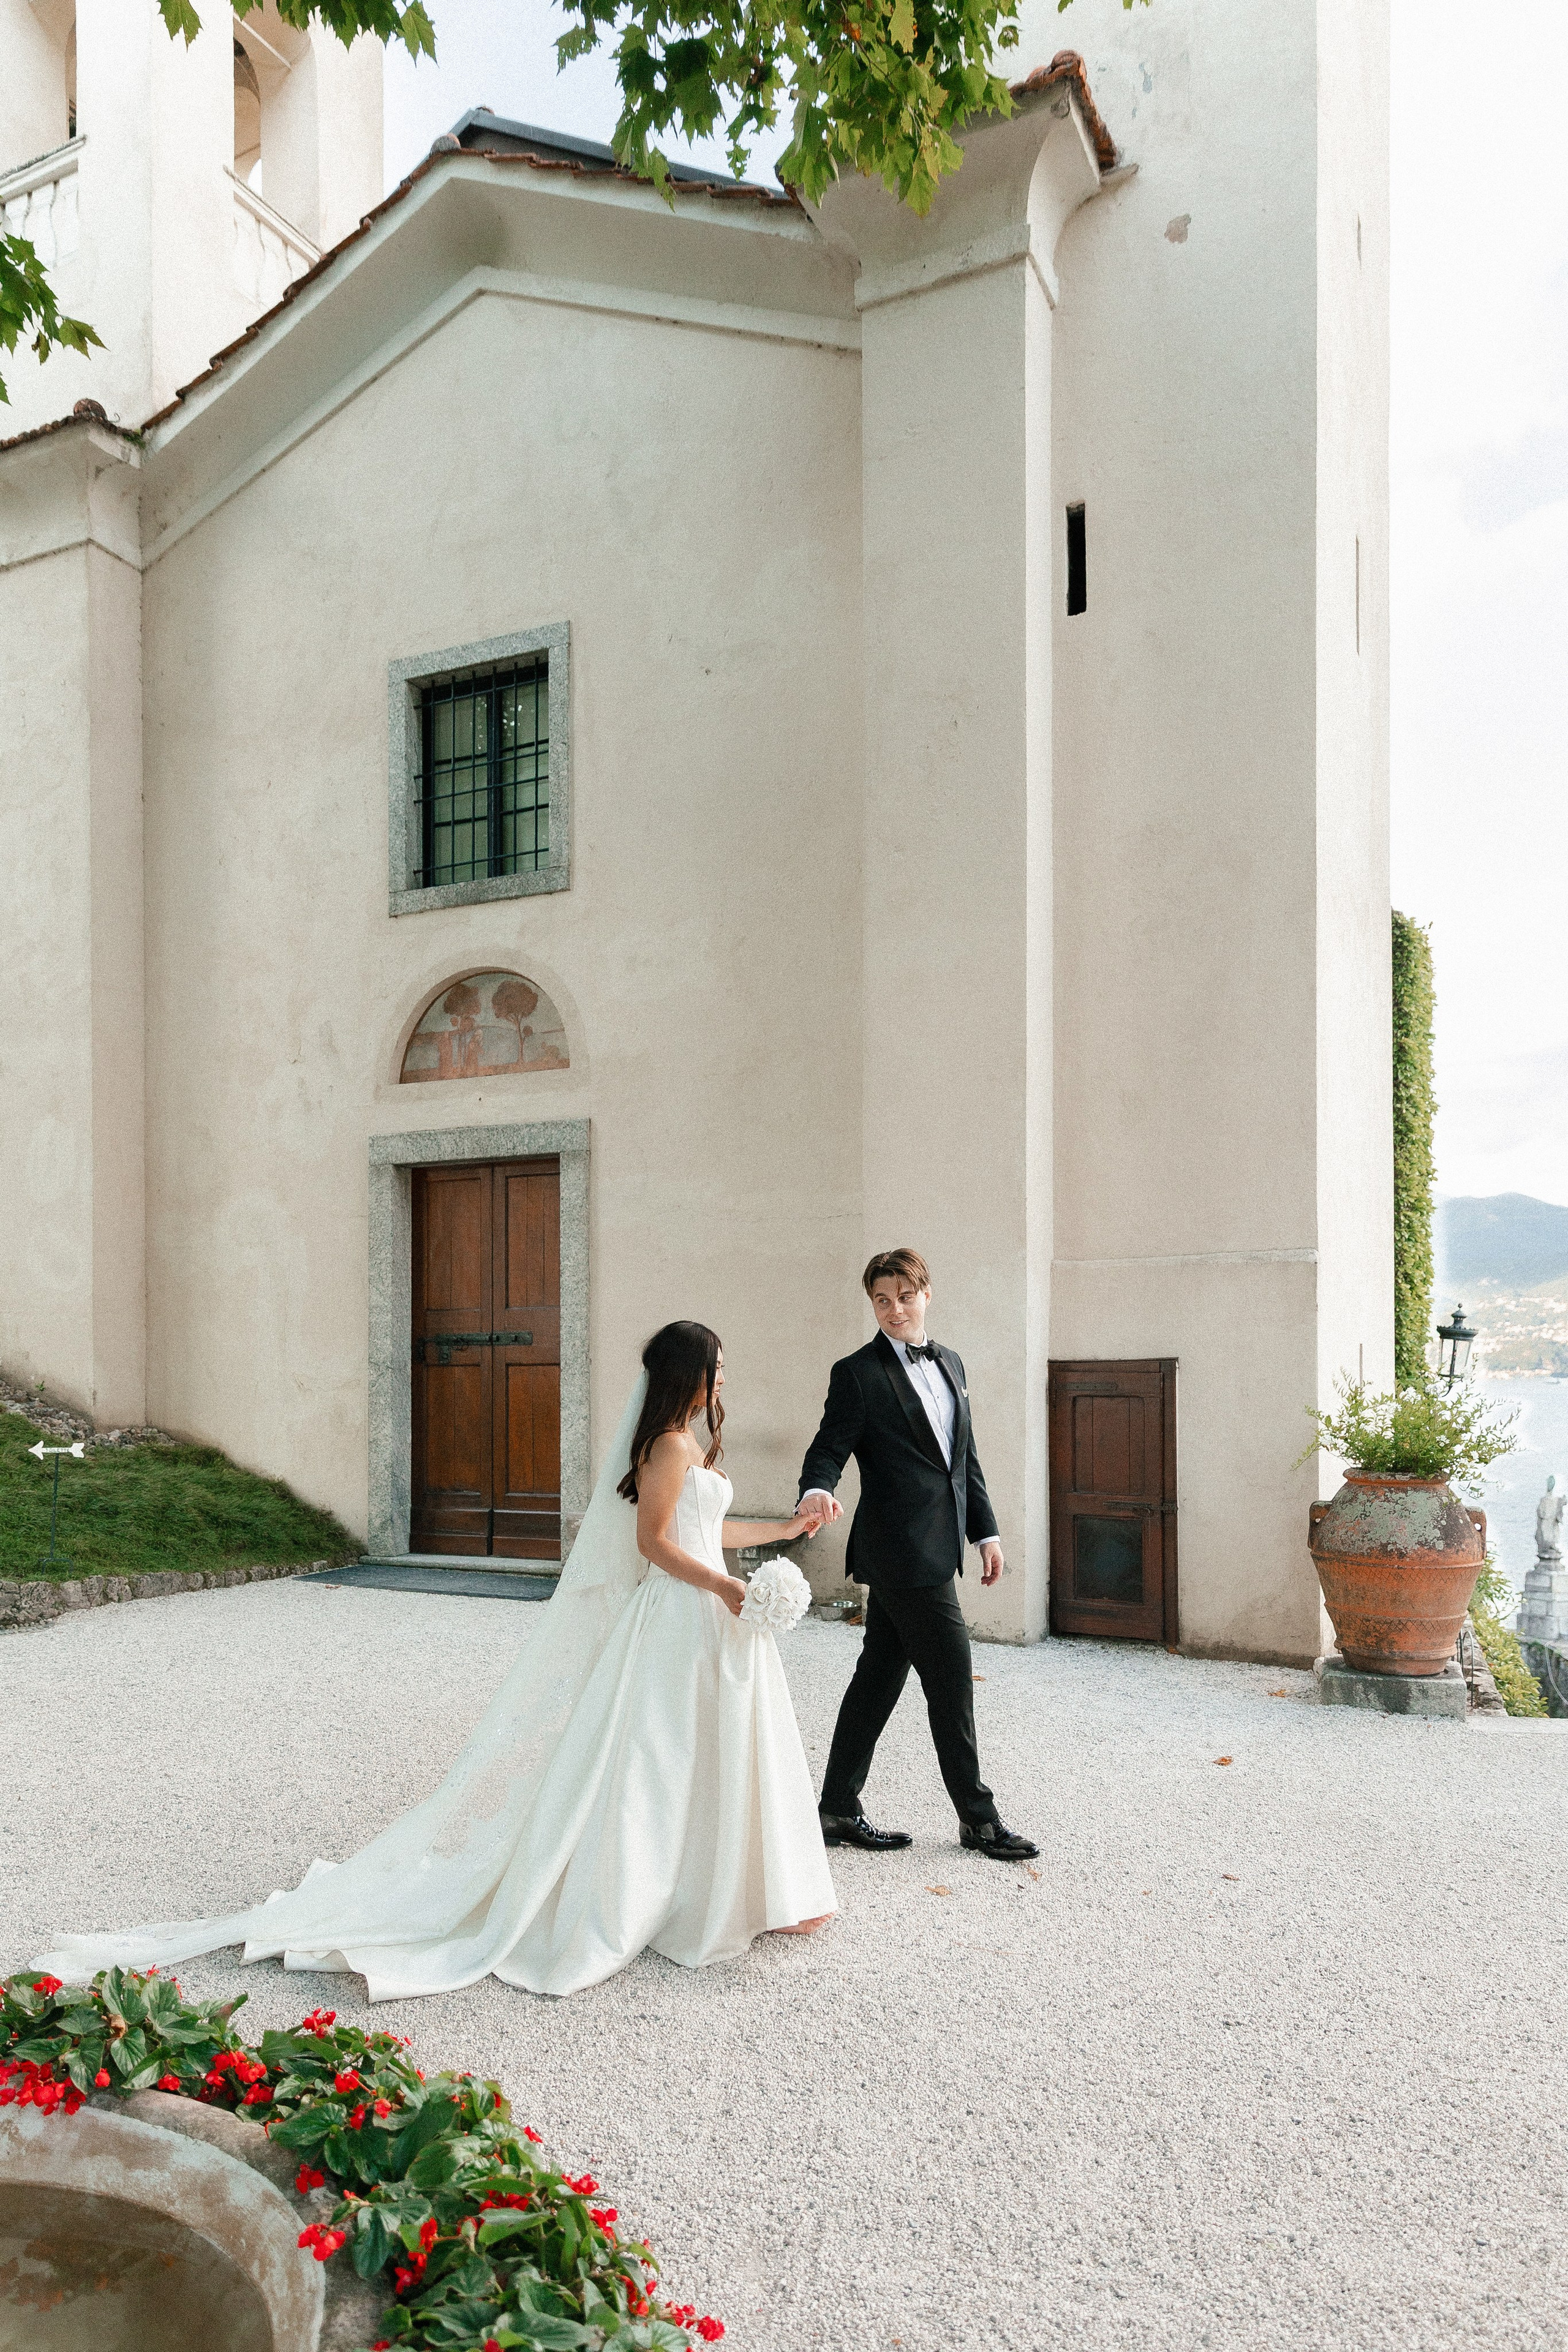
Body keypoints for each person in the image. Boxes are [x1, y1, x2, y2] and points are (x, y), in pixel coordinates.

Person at [37, 1323, 835, 2000]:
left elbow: (707, 1530)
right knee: (660, 1759)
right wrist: (724, 1587)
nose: (724, 1376)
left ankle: (729, 1891)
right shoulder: (664, 1445)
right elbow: (655, 1543)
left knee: (710, 1753)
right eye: (717, 1364)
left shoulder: (688, 1444)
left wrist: (782, 1532)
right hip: (678, 1617)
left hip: (710, 1615)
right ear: (689, 1374)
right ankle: (659, 1897)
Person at [799, 1249, 1038, 1862]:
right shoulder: (857, 1373)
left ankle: (835, 1807)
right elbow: (828, 1446)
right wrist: (817, 1488)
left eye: (905, 1297)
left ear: (926, 1295)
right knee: (951, 1680)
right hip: (899, 1549)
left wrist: (985, 1533)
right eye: (882, 1300)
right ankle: (978, 1820)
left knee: (878, 1677)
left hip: (940, 1542)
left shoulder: (951, 1362)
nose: (894, 1310)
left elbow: (964, 1458)